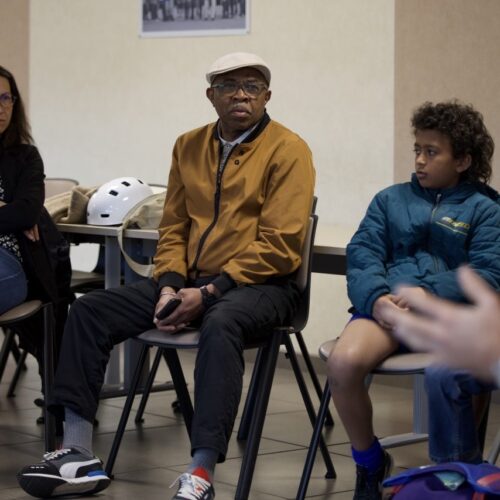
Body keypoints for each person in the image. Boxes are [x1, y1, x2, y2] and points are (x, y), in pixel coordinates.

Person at [17, 52, 315, 500]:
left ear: (267, 96)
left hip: (263, 286)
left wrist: (210, 292)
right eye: (229, 86)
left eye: (252, 87)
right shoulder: (188, 145)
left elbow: (280, 243)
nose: (241, 95)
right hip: (190, 280)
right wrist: (171, 284)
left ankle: (201, 472)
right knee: (90, 310)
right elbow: (173, 227)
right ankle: (77, 452)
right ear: (210, 95)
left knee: (221, 322)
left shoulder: (289, 150)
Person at [326, 101, 500, 499]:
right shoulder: (390, 200)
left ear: (462, 161)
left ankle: (459, 473)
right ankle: (370, 462)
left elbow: (489, 273)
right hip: (389, 310)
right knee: (343, 362)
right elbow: (363, 255)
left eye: (432, 152)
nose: (420, 160)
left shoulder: (486, 209)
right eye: (417, 149)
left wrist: (428, 292)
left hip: (450, 316)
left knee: (455, 371)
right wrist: (377, 300)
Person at [0, 64, 72, 398]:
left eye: (6, 98)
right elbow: (16, 213)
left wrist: (15, 211)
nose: (1, 108)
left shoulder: (26, 157)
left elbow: (27, 211)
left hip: (12, 266)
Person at [385, 266, 500, 383]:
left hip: (457, 308)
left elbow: (491, 269)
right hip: (390, 307)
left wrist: (428, 290)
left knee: (441, 374)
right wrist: (376, 297)